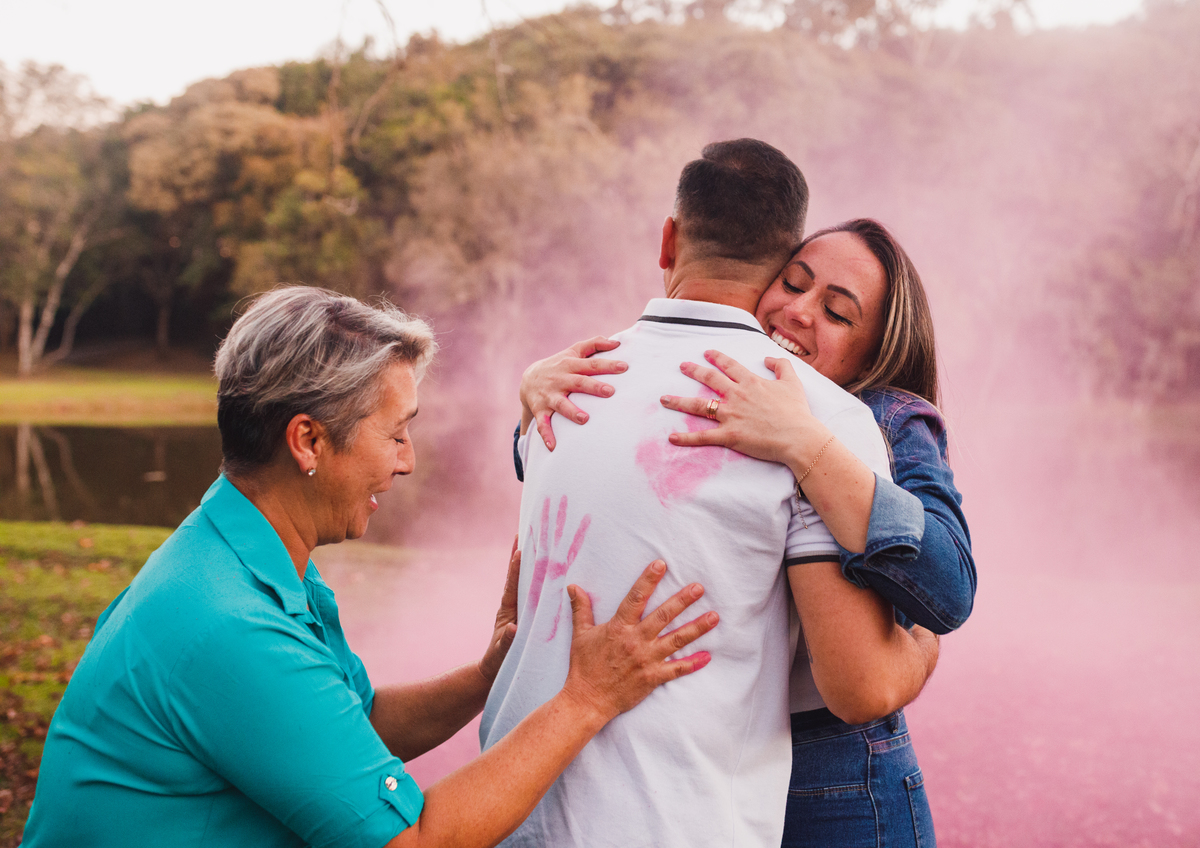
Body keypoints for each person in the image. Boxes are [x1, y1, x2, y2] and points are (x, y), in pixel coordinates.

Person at [20, 286, 720, 848]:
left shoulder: (242, 553)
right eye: (395, 432)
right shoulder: (229, 625)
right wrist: (587, 698)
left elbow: (355, 725)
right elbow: (413, 839)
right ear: (308, 441)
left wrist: (487, 676)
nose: (407, 459)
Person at [481, 140, 938, 848]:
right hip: (676, 822)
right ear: (780, 265)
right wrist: (925, 640)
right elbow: (861, 685)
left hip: (512, 813)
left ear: (668, 238)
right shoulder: (820, 416)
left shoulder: (564, 383)